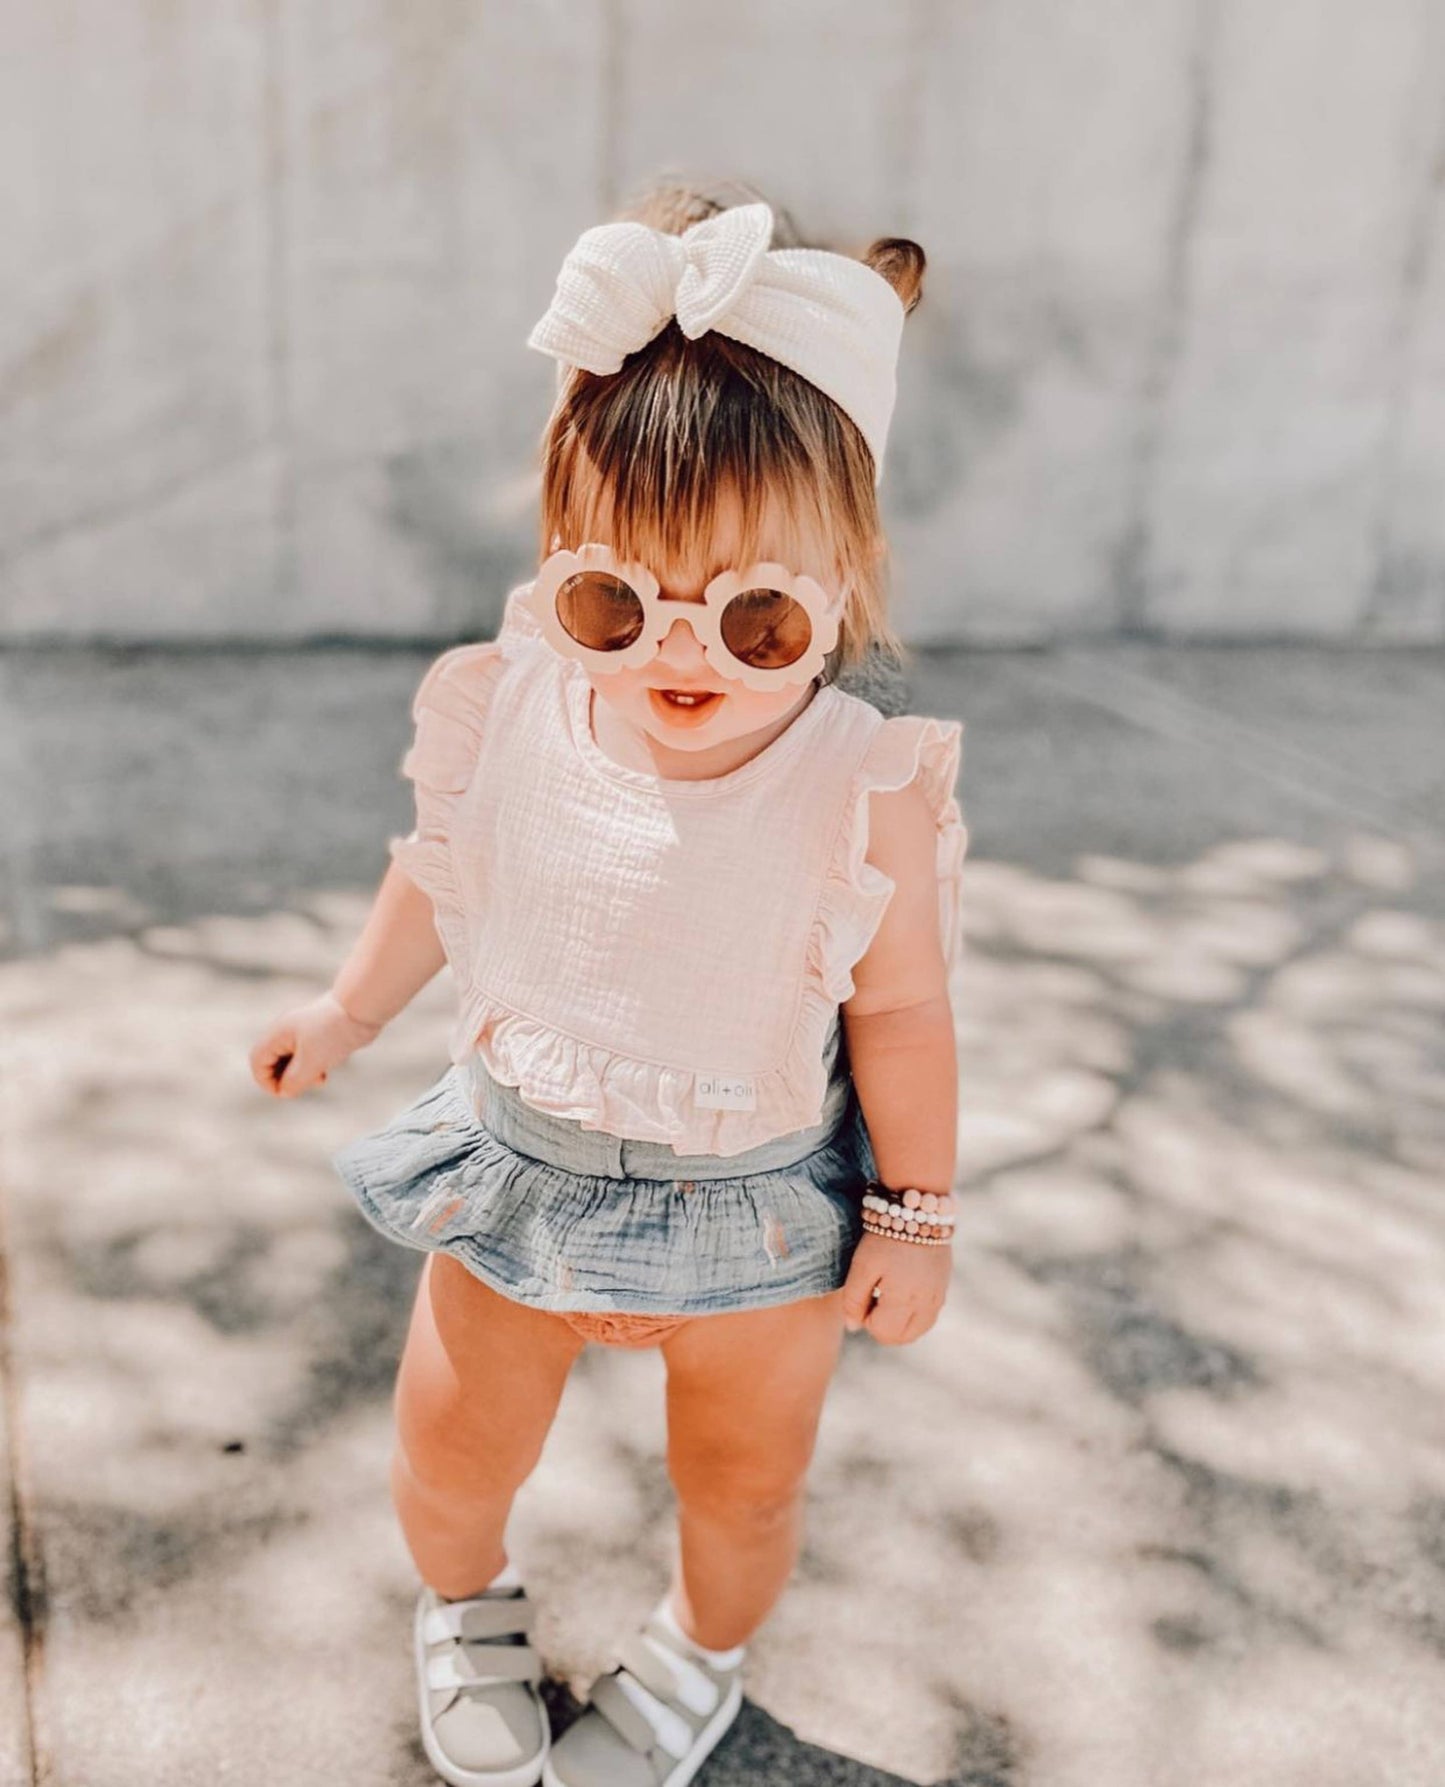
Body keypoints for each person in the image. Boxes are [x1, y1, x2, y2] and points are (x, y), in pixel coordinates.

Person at [248, 176, 968, 1787]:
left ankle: (699, 1659)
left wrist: (915, 1210)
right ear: (557, 567)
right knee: (447, 1451)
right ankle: (465, 1605)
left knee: (745, 1485)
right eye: (611, 601)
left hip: (763, 1208)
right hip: (517, 1168)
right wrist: (346, 1013)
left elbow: (901, 1011)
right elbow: (444, 870)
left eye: (757, 614)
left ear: (843, 587)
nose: (678, 654)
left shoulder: (864, 786)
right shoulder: (510, 702)